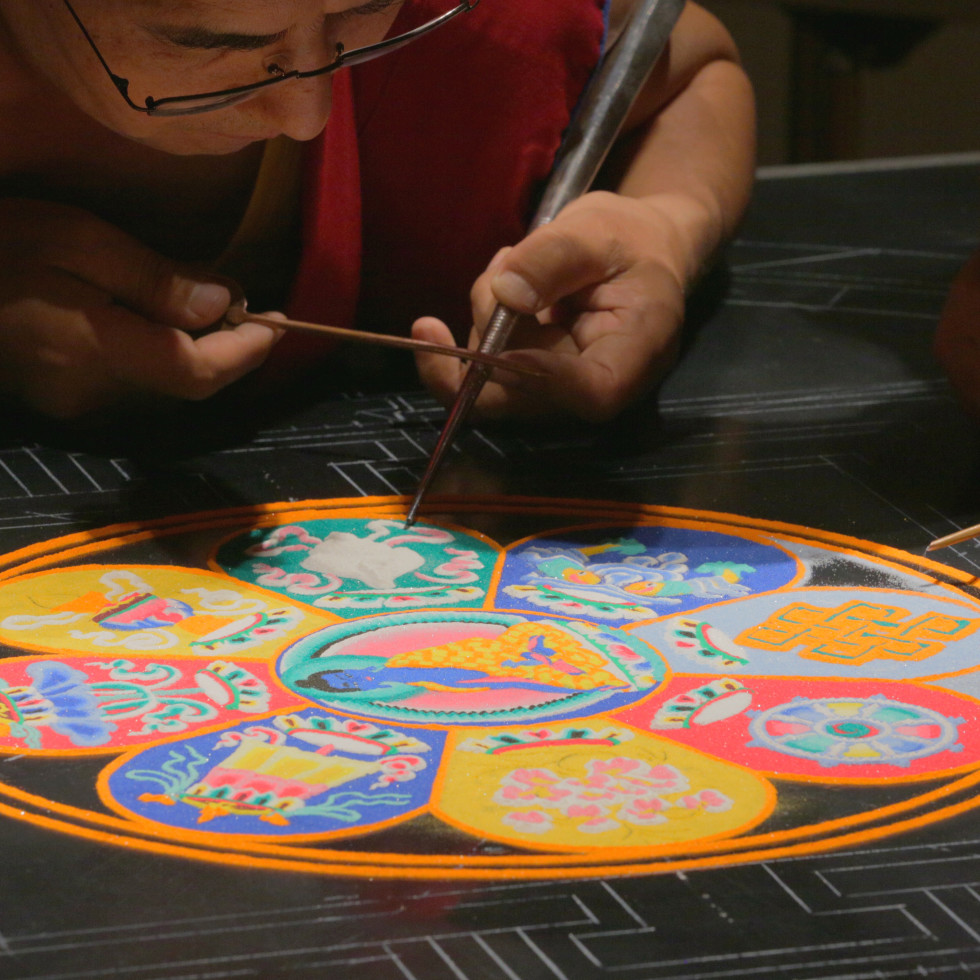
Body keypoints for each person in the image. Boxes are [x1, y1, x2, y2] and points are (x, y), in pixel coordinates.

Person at [0, 0, 755, 421]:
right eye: (207, 47)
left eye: (356, 12)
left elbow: (692, 70)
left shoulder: (459, 28)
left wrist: (666, 225)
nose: (307, 114)